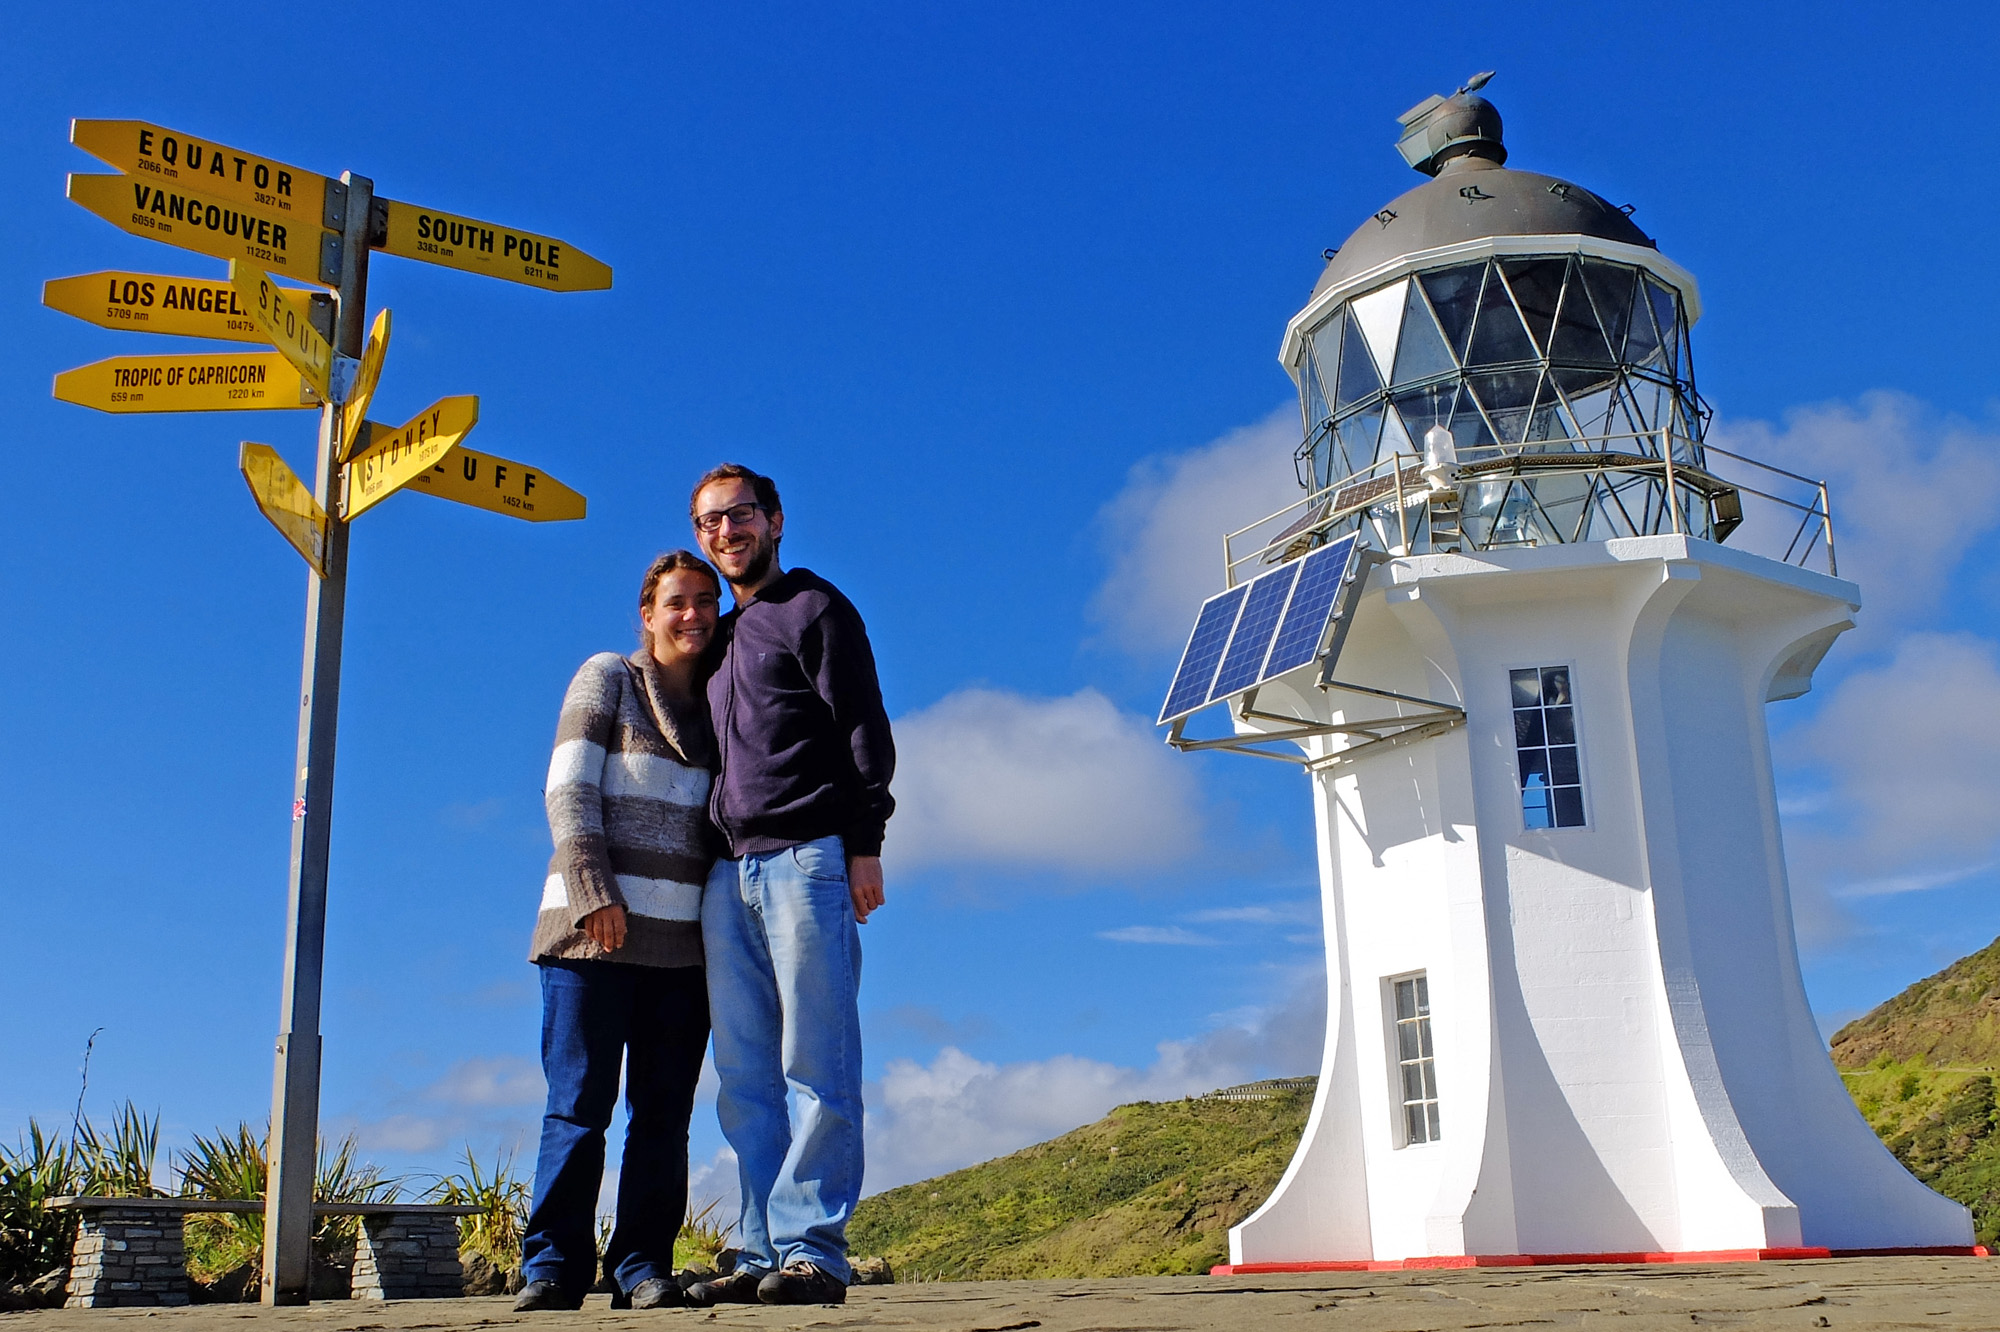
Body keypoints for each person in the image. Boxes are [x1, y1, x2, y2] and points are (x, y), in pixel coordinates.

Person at [682, 464, 895, 1309]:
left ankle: (814, 1251)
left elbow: (862, 730)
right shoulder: (723, 639)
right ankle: (758, 1249)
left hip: (809, 858)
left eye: (738, 516)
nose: (724, 533)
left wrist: (865, 844)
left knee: (818, 1059)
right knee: (743, 1079)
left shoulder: (816, 609)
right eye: (708, 523)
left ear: (774, 521)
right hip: (726, 875)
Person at [515, 551, 723, 1312]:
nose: (693, 614)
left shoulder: (721, 706)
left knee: (663, 1118)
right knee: (578, 1105)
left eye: (706, 600)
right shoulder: (608, 676)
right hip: (590, 936)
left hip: (683, 949)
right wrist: (593, 893)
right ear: (648, 612)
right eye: (676, 602)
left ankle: (640, 1267)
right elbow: (568, 788)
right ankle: (552, 1267)